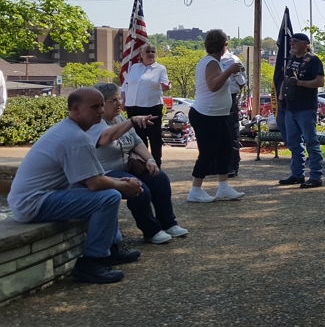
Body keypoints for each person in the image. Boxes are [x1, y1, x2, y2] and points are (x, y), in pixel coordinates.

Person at [8, 88, 145, 284]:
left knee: (109, 190)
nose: (100, 111)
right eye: (94, 107)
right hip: (32, 203)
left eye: (100, 105)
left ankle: (111, 249)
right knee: (109, 197)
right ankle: (91, 263)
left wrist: (120, 182)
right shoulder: (76, 138)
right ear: (75, 109)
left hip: (40, 196)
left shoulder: (70, 130)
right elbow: (95, 183)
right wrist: (124, 186)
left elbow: (91, 178)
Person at [90, 83, 189, 244]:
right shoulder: (95, 122)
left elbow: (136, 141)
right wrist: (132, 121)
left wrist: (150, 160)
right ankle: (151, 230)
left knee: (160, 179)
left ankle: (169, 223)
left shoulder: (119, 118)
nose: (119, 103)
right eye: (113, 100)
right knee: (138, 188)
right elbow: (106, 137)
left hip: (128, 165)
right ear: (101, 103)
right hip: (106, 171)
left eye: (119, 98)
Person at [186, 30, 246, 203]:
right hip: (206, 115)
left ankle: (223, 187)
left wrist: (230, 72)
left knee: (225, 149)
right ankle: (195, 190)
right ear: (224, 45)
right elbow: (213, 86)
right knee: (208, 153)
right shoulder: (211, 63)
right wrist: (229, 71)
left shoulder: (213, 62)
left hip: (217, 115)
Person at [276, 33, 325, 188]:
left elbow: (320, 81)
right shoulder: (291, 59)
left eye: (295, 41)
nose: (291, 44)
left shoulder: (313, 60)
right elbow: (286, 78)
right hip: (290, 107)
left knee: (311, 142)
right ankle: (297, 174)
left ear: (305, 43)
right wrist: (281, 94)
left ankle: (316, 176)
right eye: (291, 41)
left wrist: (300, 83)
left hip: (305, 107)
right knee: (293, 143)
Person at [122, 44, 170, 166]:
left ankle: (156, 164)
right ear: (141, 54)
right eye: (147, 51)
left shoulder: (160, 69)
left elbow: (165, 86)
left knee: (154, 139)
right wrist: (123, 100)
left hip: (152, 108)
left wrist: (166, 87)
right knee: (138, 139)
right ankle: (141, 165)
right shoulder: (134, 67)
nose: (150, 54)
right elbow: (125, 86)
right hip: (134, 109)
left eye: (153, 51)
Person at [220, 47, 247, 177]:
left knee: (231, 133)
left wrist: (234, 91)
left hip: (229, 97)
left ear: (226, 44)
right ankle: (215, 165)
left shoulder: (233, 60)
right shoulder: (208, 60)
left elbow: (242, 80)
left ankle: (232, 165)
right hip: (214, 99)